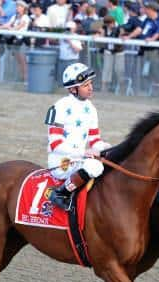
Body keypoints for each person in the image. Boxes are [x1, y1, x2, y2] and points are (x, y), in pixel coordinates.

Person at [45, 63, 111, 210]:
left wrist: (105, 148)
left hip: (79, 159)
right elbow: (55, 143)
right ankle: (60, 193)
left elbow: (95, 140)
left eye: (91, 83)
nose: (91, 88)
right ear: (73, 89)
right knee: (94, 166)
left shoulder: (91, 109)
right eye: (85, 85)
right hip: (61, 162)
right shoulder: (59, 107)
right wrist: (83, 153)